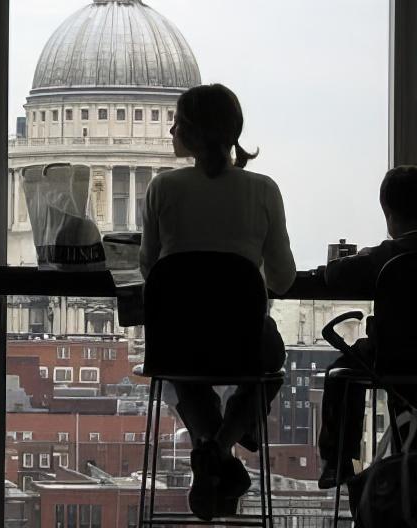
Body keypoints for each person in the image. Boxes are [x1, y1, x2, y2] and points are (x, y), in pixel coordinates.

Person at [140, 84, 295, 519]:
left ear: (189, 133)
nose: (170, 128)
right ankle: (223, 445)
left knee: (185, 370)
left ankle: (212, 449)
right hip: (243, 344)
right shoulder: (263, 190)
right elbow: (282, 280)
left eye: (176, 121)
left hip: (177, 343)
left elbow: (150, 269)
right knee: (271, 366)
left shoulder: (160, 190)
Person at [316, 165, 417, 489]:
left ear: (387, 212)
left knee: (342, 373)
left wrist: (361, 254)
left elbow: (335, 275)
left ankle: (337, 463)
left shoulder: (387, 254)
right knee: (405, 370)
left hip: (393, 357)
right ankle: (409, 463)